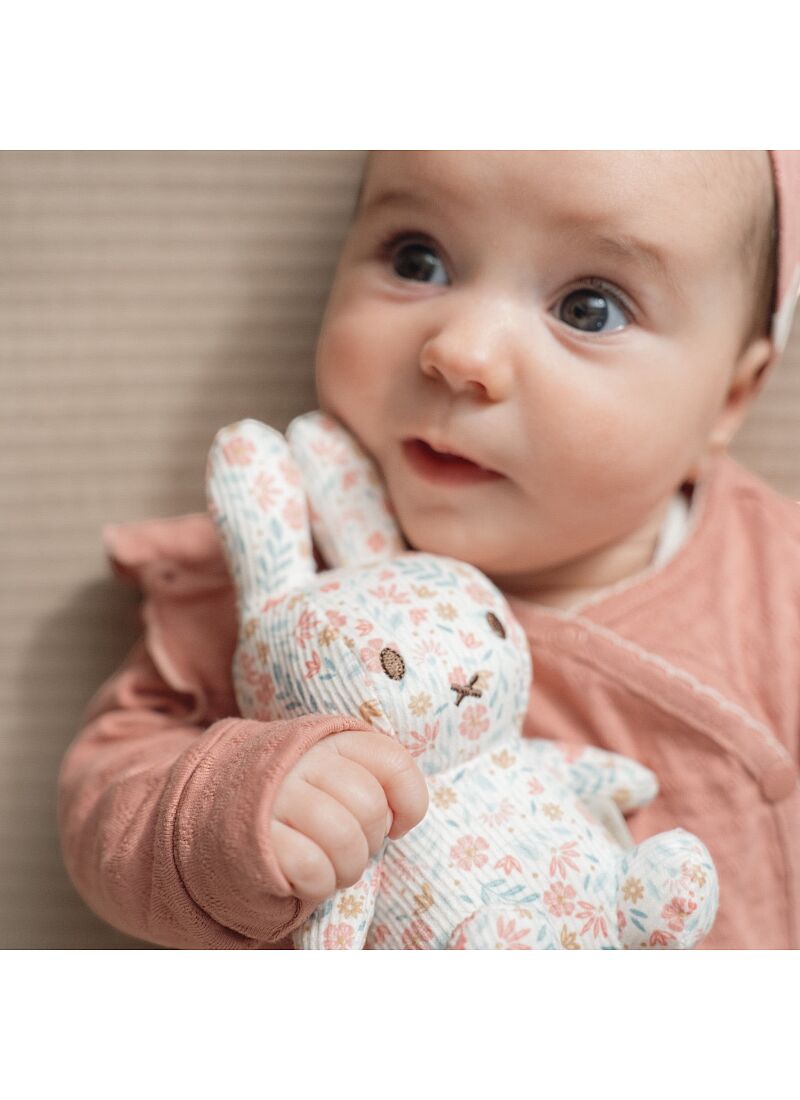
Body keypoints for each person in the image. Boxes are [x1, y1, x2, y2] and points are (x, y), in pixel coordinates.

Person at [58, 151, 800, 950]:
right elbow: (107, 786)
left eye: (589, 308)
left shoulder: (774, 582)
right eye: (419, 260)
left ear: (728, 399)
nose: (461, 352)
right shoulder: (277, 581)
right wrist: (234, 809)